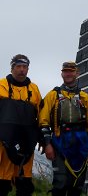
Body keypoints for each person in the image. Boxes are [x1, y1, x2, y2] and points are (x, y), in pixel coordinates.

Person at [39, 61, 88, 196]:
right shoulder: (53, 95)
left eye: (71, 71)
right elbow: (43, 121)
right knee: (60, 182)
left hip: (80, 143)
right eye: (65, 71)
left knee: (77, 183)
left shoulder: (84, 97)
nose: (68, 74)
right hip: (59, 141)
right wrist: (47, 144)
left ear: (77, 73)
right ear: (62, 74)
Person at [0, 54, 42, 196]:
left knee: (24, 186)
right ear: (12, 68)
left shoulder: (34, 89)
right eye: (18, 66)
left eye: (24, 67)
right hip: (3, 144)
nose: (22, 70)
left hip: (26, 145)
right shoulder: (1, 85)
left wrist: (42, 139)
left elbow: (41, 116)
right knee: (2, 184)